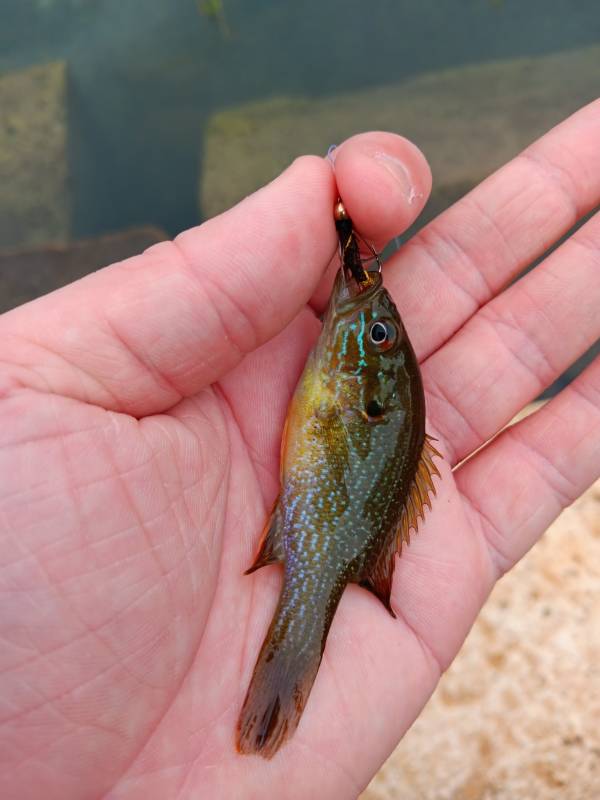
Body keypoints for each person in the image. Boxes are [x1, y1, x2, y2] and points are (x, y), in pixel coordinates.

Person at [1, 102, 599, 800]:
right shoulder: (350, 383)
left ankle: (279, 681)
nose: (373, 326)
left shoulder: (351, 388)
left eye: (378, 338)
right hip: (318, 532)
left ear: (368, 384)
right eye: (383, 337)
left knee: (312, 583)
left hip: (322, 531)